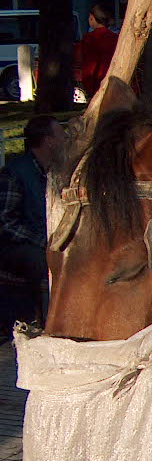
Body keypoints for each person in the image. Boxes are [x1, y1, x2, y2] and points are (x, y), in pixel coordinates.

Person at [0, 115, 67, 326]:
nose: (66, 139)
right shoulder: (16, 172)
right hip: (16, 246)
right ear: (49, 141)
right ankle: (49, 321)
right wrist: (42, 241)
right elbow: (6, 222)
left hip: (47, 239)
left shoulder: (57, 171)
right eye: (61, 134)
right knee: (45, 262)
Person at [73, 3, 117, 100]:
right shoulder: (115, 38)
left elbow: (78, 58)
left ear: (92, 18)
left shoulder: (88, 38)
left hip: (92, 82)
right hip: (113, 81)